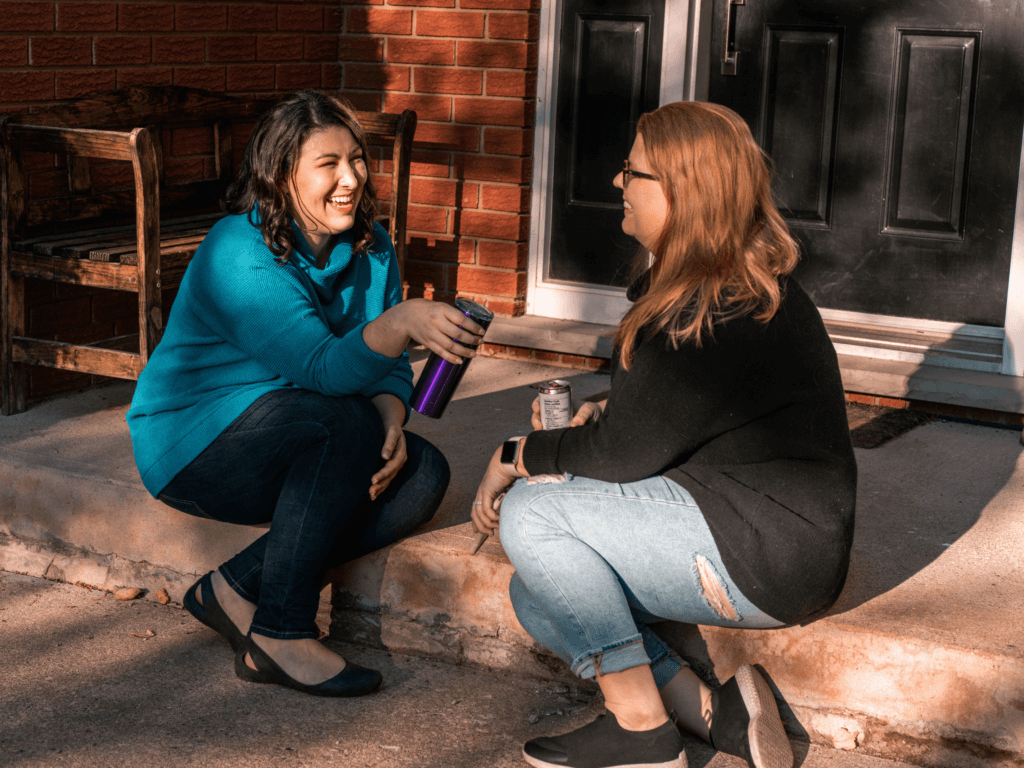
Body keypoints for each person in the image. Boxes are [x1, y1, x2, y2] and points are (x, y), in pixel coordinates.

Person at [472, 101, 857, 768]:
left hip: (765, 557)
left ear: (684, 191)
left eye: (632, 171)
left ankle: (640, 730)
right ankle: (712, 715)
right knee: (536, 593)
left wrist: (516, 456)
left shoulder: (709, 306)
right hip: (767, 537)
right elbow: (669, 418)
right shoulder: (720, 285)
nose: (618, 183)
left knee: (535, 516)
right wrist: (607, 409)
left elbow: (622, 458)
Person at [128, 90, 485, 697]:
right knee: (338, 423)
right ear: (280, 175)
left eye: (357, 160)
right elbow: (323, 367)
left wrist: (390, 415)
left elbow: (386, 370)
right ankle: (280, 634)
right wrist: (399, 323)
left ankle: (233, 588)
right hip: (192, 443)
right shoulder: (237, 253)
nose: (350, 179)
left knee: (422, 473)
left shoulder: (370, 247)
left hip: (295, 424)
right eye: (328, 164)